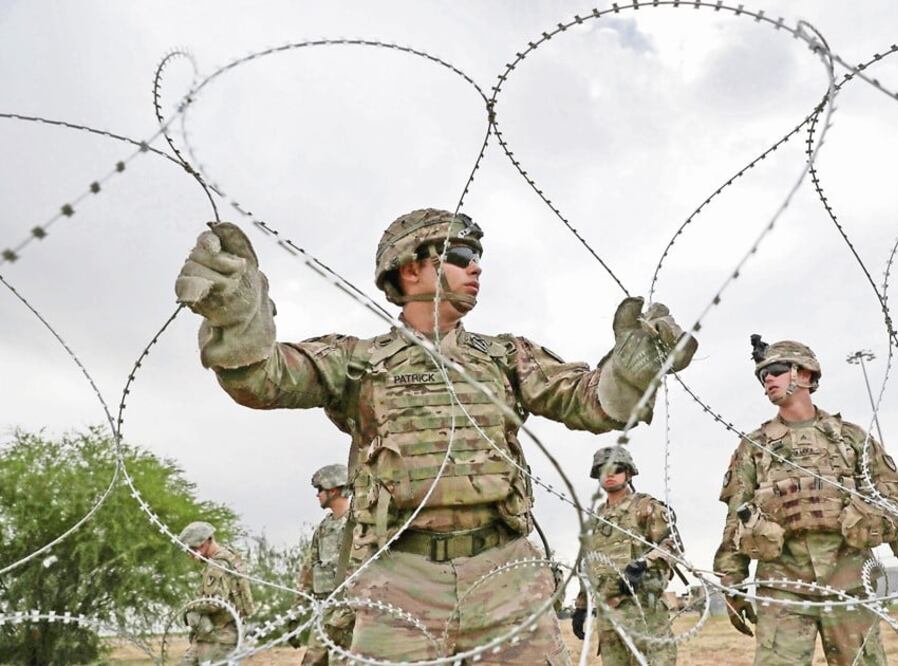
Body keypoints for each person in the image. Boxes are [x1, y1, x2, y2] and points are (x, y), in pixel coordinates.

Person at [173, 208, 696, 663]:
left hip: (504, 573)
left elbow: (590, 401)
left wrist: (631, 372)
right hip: (400, 577)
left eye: (476, 256)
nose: (476, 267)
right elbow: (264, 379)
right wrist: (240, 322)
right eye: (461, 254)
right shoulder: (358, 360)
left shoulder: (505, 357)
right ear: (411, 267)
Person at [713, 336, 898, 665]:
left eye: (776, 370)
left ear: (805, 375)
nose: (768, 379)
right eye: (762, 375)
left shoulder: (851, 439)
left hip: (849, 579)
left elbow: (894, 505)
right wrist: (731, 582)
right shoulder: (754, 447)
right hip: (782, 584)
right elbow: (737, 517)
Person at [572, 445, 678, 665]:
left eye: (617, 468)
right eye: (603, 470)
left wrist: (643, 563)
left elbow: (671, 545)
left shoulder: (646, 508)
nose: (609, 474)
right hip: (608, 616)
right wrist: (581, 606)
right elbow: (588, 562)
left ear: (629, 473)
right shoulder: (596, 518)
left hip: (643, 611)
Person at [289, 464, 352, 665]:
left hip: (349, 612)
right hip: (325, 608)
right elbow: (309, 572)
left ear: (333, 490)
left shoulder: (357, 524)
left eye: (320, 490)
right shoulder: (323, 528)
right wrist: (295, 614)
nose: (317, 495)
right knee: (312, 661)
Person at [177, 520, 254, 666]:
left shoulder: (216, 566)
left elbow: (214, 603)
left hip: (220, 635)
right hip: (226, 632)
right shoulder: (230, 556)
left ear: (204, 543)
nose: (190, 554)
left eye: (192, 549)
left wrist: (190, 608)